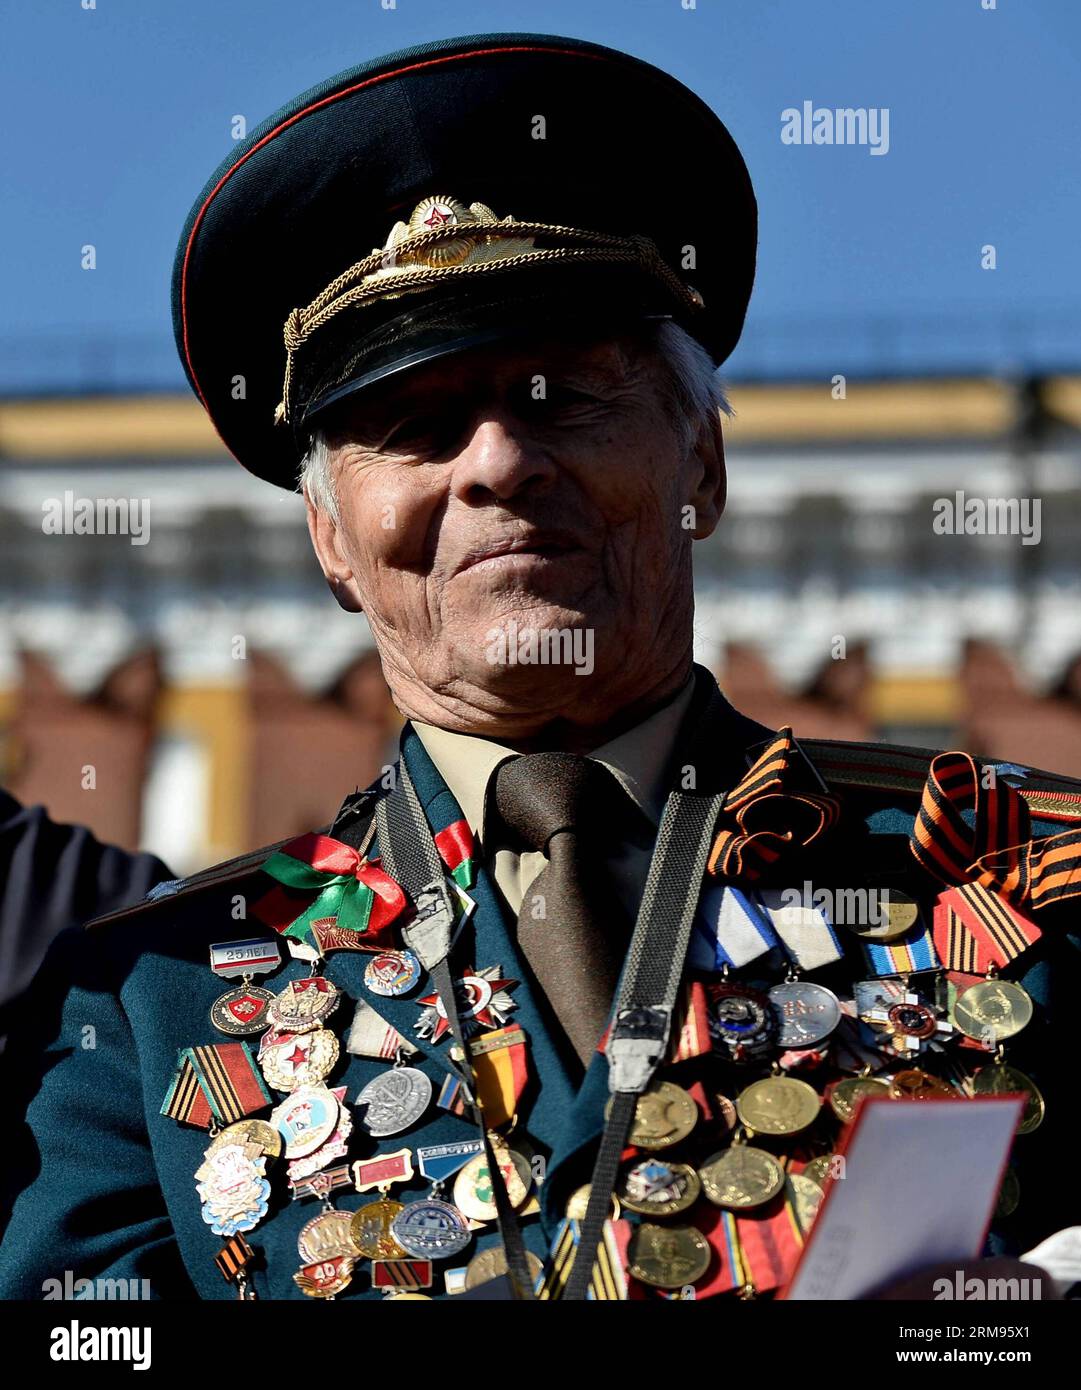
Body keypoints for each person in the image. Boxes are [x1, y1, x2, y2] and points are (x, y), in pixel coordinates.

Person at [2, 33, 1079, 1303]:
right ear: (332, 542)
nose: (497, 464)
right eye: (414, 424)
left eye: (561, 394)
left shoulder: (1012, 875)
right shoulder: (153, 999)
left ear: (702, 471)